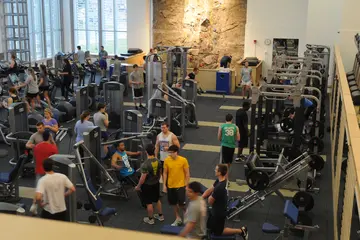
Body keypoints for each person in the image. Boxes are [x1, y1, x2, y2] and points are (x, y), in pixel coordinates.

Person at [202, 164, 248, 240]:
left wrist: (210, 196)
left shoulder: (219, 187)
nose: (214, 170)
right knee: (209, 226)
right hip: (215, 209)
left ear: (219, 173)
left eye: (216, 170)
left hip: (219, 213)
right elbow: (210, 189)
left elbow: (210, 201)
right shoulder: (221, 180)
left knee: (218, 232)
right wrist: (202, 197)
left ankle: (241, 230)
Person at [135, 144, 164, 224]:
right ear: (154, 151)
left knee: (149, 203)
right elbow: (160, 172)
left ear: (146, 152)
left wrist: (138, 186)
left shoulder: (145, 164)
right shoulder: (158, 161)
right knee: (157, 199)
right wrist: (158, 179)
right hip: (156, 183)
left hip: (147, 185)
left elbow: (143, 178)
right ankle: (160, 216)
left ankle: (150, 219)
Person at [163, 145, 190, 226]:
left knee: (182, 204)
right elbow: (165, 173)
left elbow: (187, 173)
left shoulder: (183, 160)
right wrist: (164, 185)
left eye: (171, 153)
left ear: (176, 152)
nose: (170, 154)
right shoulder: (167, 160)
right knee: (174, 203)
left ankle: (187, 214)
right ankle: (178, 218)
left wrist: (187, 185)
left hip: (181, 185)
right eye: (169, 152)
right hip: (170, 186)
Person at [218, 113, 240, 185]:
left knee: (225, 164)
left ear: (225, 119)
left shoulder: (222, 126)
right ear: (232, 119)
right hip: (232, 146)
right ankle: (226, 176)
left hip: (224, 146)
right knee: (229, 163)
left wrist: (224, 139)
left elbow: (219, 138)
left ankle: (226, 180)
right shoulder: (235, 127)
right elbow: (238, 138)